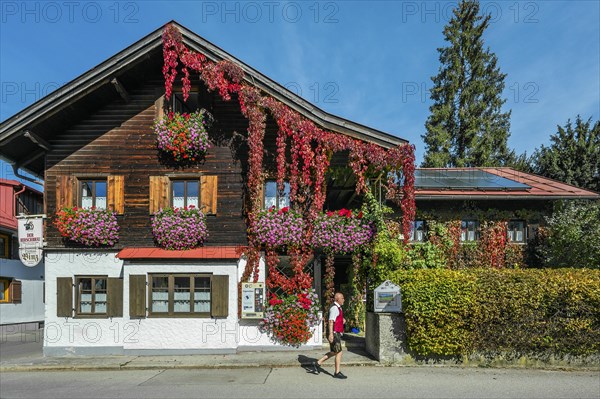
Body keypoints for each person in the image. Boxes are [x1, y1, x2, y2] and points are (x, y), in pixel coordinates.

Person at [311, 292, 347, 379]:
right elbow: (331, 321)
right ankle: (337, 372)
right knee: (339, 352)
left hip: (336, 332)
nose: (343, 300)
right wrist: (331, 334)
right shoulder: (335, 308)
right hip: (334, 333)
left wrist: (342, 320)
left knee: (335, 351)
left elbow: (336, 319)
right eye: (342, 298)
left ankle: (317, 363)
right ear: (337, 299)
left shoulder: (338, 308)